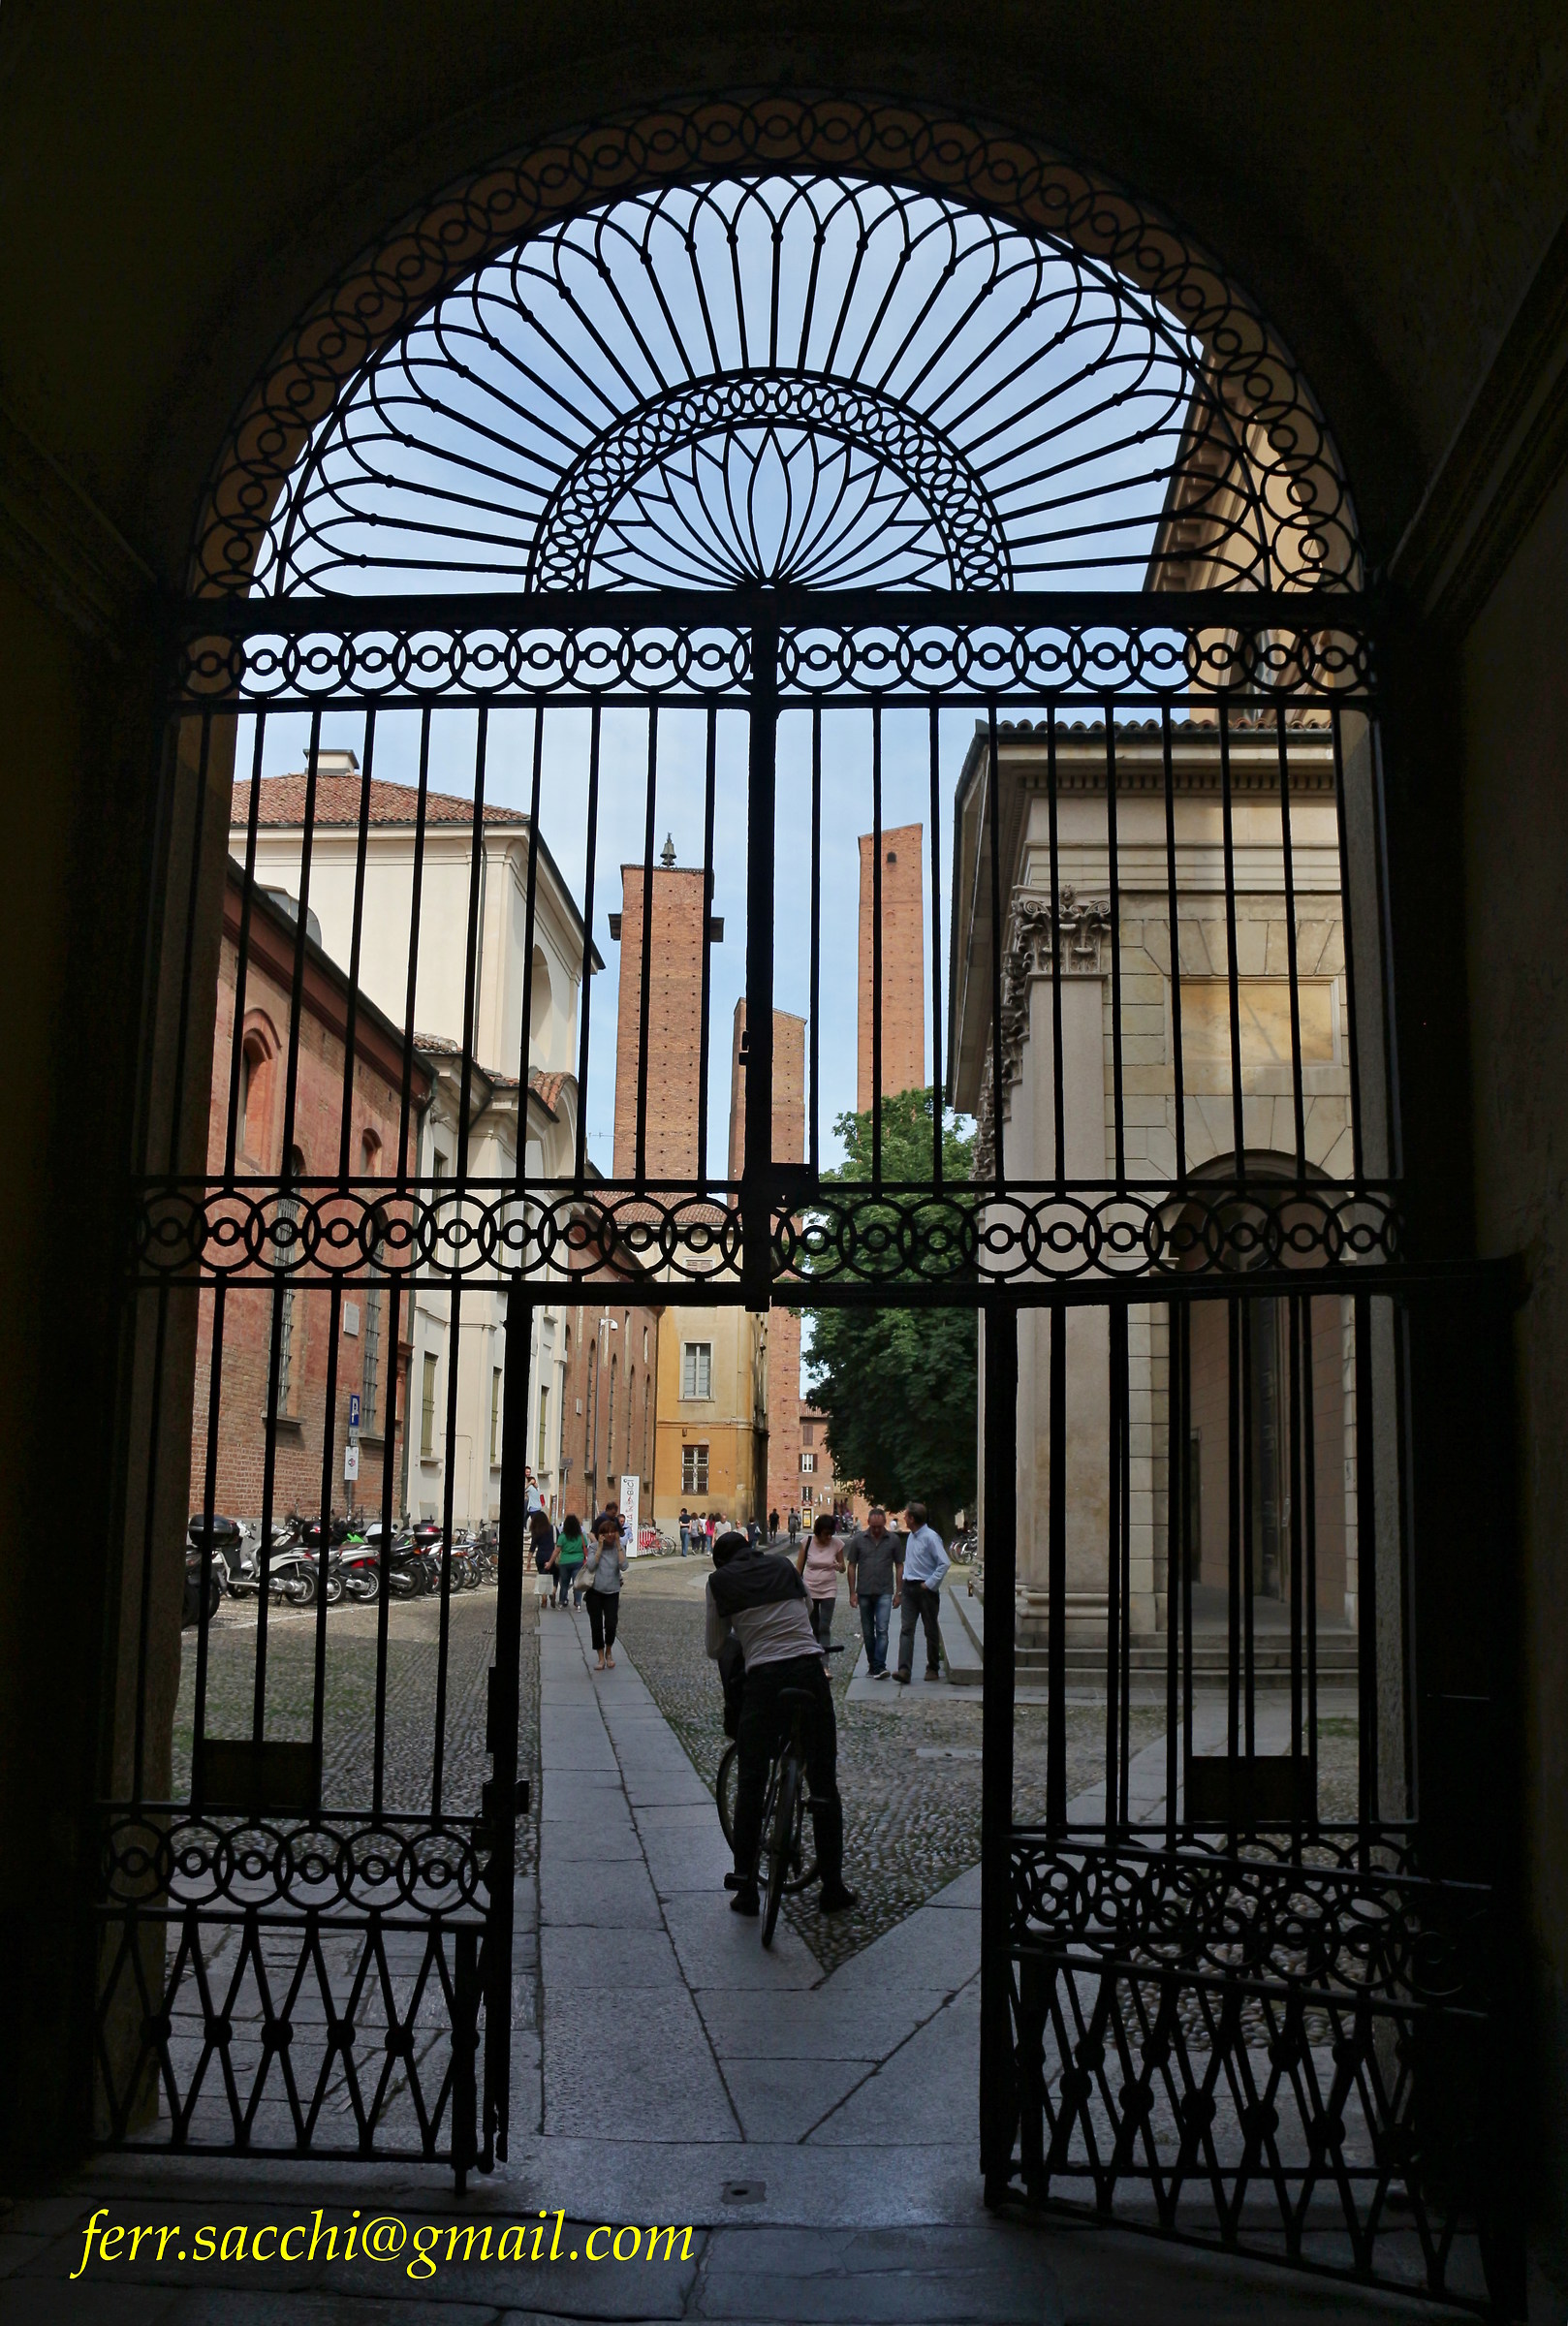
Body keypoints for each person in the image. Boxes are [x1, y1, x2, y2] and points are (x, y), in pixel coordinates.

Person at [705, 1528, 856, 1917]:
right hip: (808, 1670)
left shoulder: (719, 1582)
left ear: (720, 1561)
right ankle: (833, 1887)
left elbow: (715, 1647)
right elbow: (806, 1611)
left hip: (765, 1680)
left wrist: (747, 1633)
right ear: (752, 1550)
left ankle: (746, 1889)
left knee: (752, 1781)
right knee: (823, 1783)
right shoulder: (785, 1567)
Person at [895, 1499, 950, 1685]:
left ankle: (933, 1667)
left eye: (906, 1515)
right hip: (909, 1588)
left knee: (930, 1629)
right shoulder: (911, 1536)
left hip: (925, 1589)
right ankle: (904, 1669)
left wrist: (930, 1583)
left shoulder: (930, 1537)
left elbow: (944, 1563)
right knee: (906, 1629)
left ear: (912, 1518)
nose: (904, 1518)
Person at [844, 1506, 901, 1681]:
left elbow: (899, 1565)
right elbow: (852, 1565)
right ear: (868, 1523)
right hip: (864, 1591)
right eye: (873, 1526)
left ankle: (880, 1666)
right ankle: (872, 1665)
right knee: (868, 1632)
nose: (876, 1530)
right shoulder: (859, 1540)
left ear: (885, 1523)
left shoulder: (893, 1540)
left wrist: (899, 1592)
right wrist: (851, 1592)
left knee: (882, 1629)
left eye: (879, 1526)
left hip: (884, 1590)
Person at [582, 1512, 628, 1670]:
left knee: (611, 1624)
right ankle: (601, 1657)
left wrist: (617, 1545)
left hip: (612, 1592)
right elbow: (591, 1566)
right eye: (605, 1532)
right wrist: (600, 1547)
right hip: (595, 1592)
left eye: (612, 1531)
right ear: (600, 1534)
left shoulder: (619, 1548)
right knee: (596, 1625)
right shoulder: (594, 1547)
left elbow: (624, 1566)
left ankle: (609, 1651)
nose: (609, 1534)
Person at [797, 1510, 845, 1649]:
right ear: (818, 1532)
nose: (829, 1537)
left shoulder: (837, 1544)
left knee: (824, 1626)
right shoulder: (807, 1542)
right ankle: (814, 1657)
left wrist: (839, 1566)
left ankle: (825, 1663)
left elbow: (843, 1568)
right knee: (812, 1627)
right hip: (810, 1589)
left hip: (829, 1589)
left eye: (831, 1534)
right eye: (826, 1534)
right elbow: (799, 1568)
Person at [553, 1511, 586, 1608]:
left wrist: (551, 1561)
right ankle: (578, 1603)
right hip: (578, 1561)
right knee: (577, 1584)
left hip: (564, 1561)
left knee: (564, 1583)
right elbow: (586, 1547)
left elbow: (557, 1550)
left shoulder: (562, 1536)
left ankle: (561, 1602)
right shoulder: (581, 1536)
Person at [529, 1508, 556, 1611]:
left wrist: (528, 1560)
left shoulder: (536, 1531)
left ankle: (544, 1599)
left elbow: (532, 1547)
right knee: (554, 1575)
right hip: (551, 1555)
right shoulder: (552, 1528)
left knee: (542, 1576)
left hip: (540, 1555)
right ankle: (553, 1591)